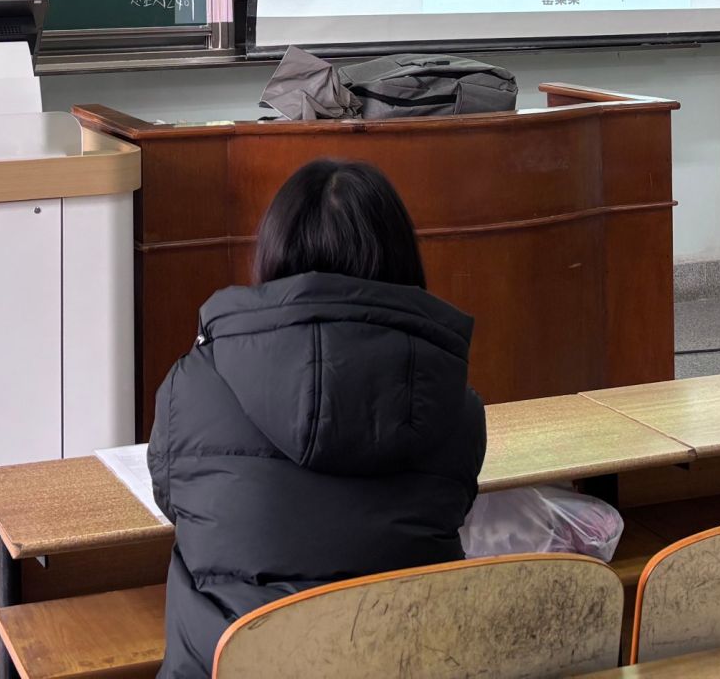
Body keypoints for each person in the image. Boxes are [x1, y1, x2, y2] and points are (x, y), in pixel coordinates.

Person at [146, 158, 486, 679]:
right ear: (402, 257)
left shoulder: (190, 387)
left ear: (273, 253)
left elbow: (173, 500)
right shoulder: (457, 405)